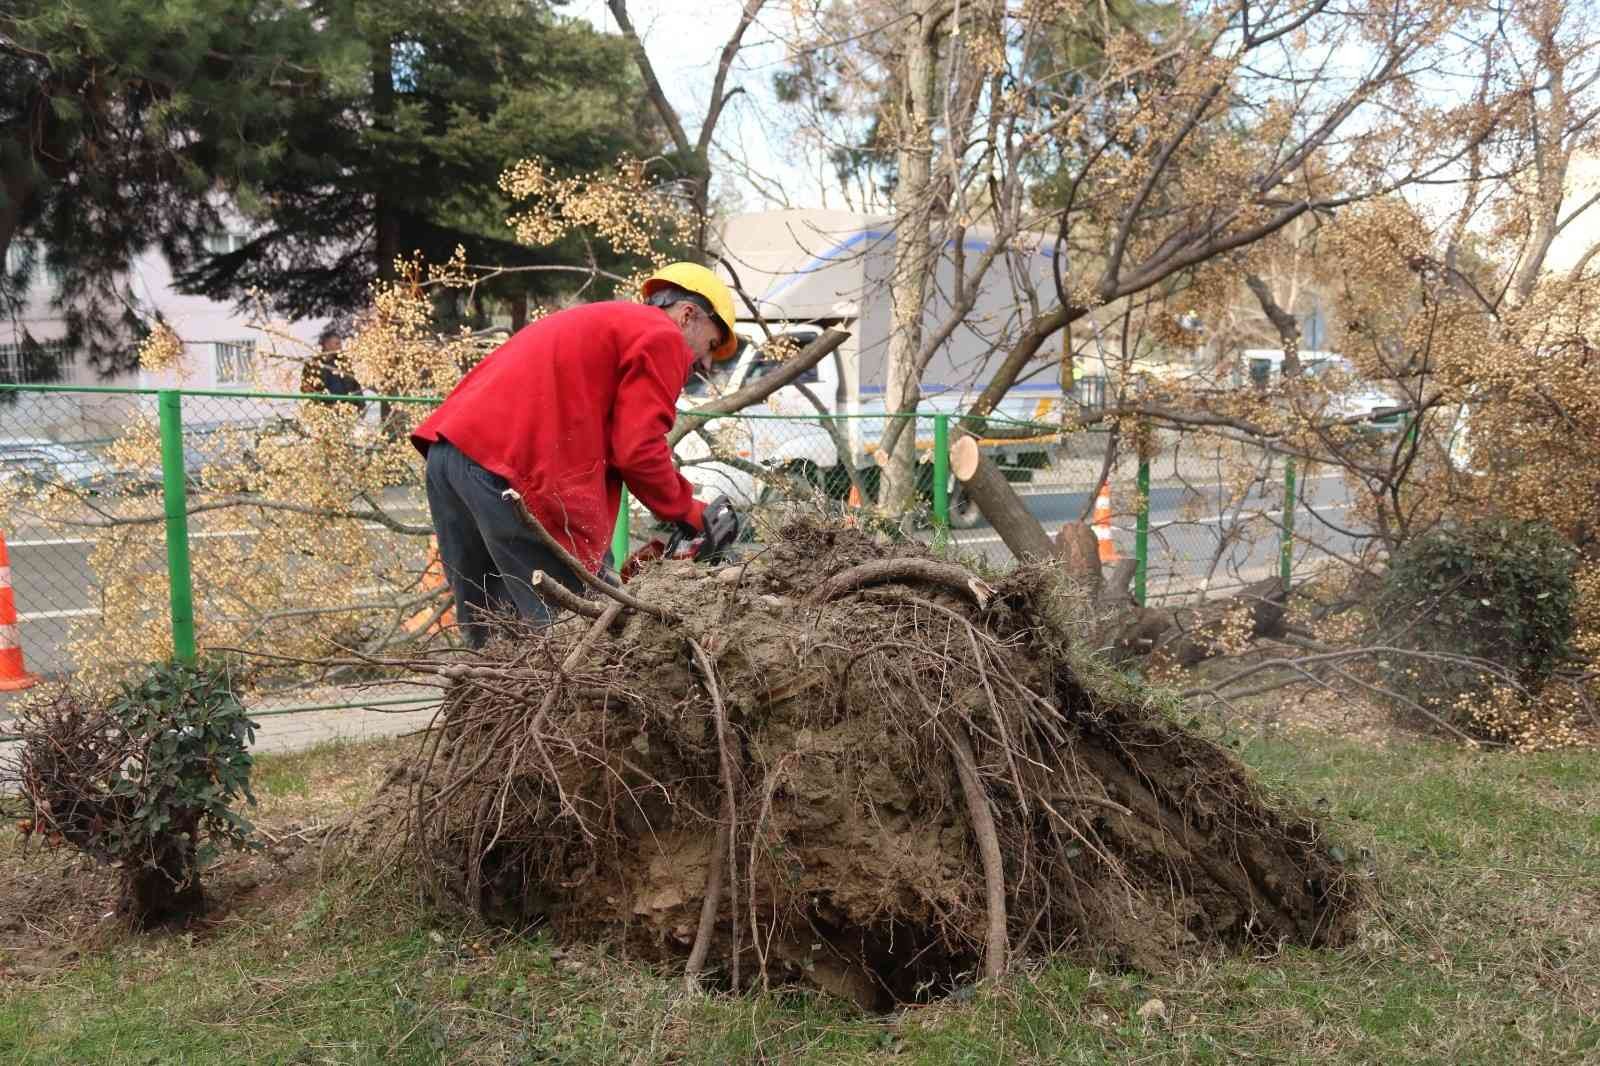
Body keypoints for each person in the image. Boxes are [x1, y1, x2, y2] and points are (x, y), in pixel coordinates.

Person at [409, 263, 743, 647]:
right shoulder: (662, 335)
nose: (705, 363)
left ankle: (483, 707)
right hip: (511, 470)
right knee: (582, 634)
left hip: (451, 453)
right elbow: (638, 449)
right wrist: (687, 510)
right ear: (688, 315)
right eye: (712, 345)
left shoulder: (606, 321)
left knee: (493, 638)